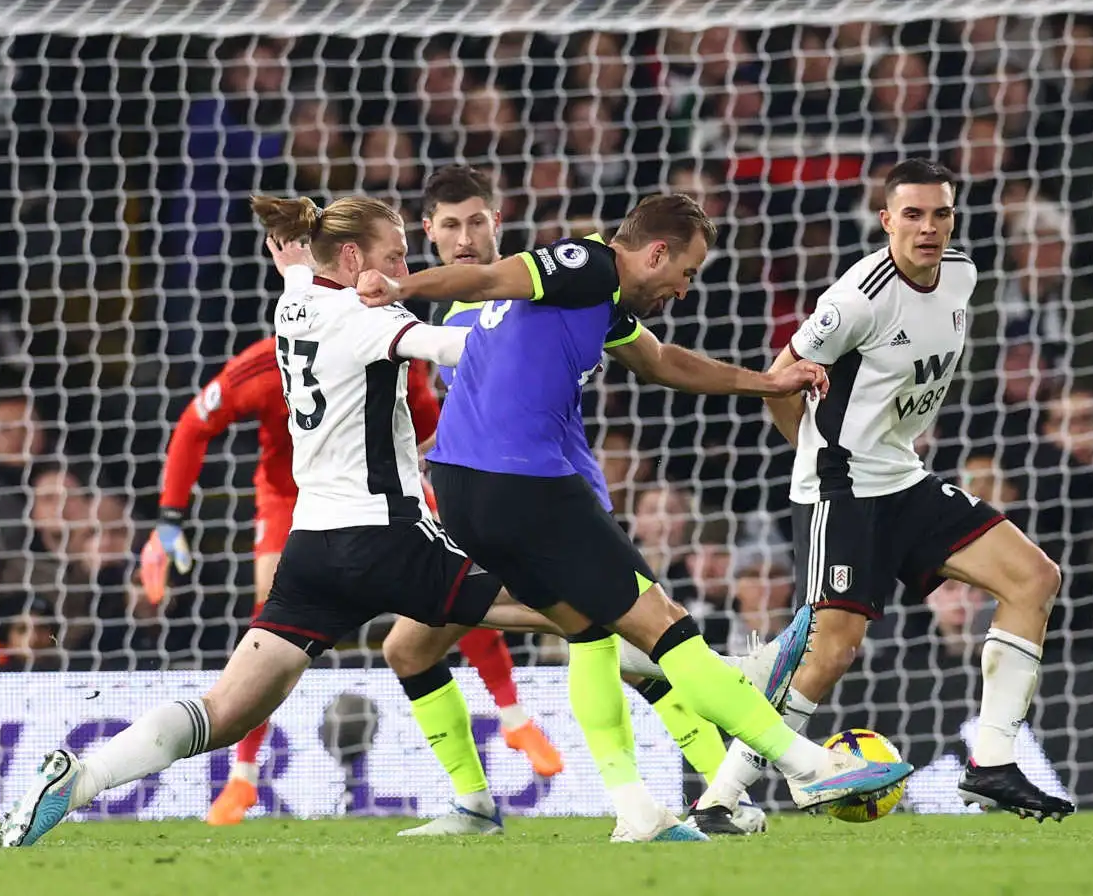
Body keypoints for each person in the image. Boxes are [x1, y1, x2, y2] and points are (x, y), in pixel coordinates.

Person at [0, 195, 559, 849]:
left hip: (313, 553)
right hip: (387, 537)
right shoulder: (367, 316)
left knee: (225, 711)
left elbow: (299, 273)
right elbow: (454, 346)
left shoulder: (293, 302)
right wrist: (555, 332)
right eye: (395, 255)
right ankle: (685, 692)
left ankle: (82, 777)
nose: (403, 268)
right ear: (352, 258)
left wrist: (294, 259)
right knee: (576, 602)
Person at [358, 192, 915, 842]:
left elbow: (661, 362)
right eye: (688, 271)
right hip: (524, 483)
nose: (685, 288)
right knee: (664, 627)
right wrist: (399, 285)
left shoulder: (600, 302)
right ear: (656, 252)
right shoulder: (587, 265)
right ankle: (806, 764)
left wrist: (770, 382)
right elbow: (488, 276)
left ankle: (636, 809)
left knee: (591, 635)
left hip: (463, 486)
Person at [687, 158, 1076, 834]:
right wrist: (814, 456)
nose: (928, 228)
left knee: (1033, 577)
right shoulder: (855, 300)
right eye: (914, 214)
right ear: (886, 220)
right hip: (842, 487)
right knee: (832, 651)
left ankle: (991, 762)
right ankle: (720, 798)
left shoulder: (962, 275)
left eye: (940, 214)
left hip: (904, 477)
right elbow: (780, 377)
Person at [380, 165, 753, 835]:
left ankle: (723, 792)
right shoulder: (478, 307)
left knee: (629, 637)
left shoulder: (550, 288)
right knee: (410, 650)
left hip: (546, 500)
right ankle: (475, 804)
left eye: (477, 222)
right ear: (428, 233)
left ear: (499, 223)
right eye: (450, 225)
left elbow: (659, 358)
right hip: (488, 501)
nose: (465, 239)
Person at [140, 334, 561, 826]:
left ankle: (513, 715)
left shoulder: (385, 349)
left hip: (379, 494)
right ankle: (244, 774)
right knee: (270, 613)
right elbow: (195, 423)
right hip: (291, 498)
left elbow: (425, 427)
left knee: (458, 575)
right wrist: (169, 516)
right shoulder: (263, 366)